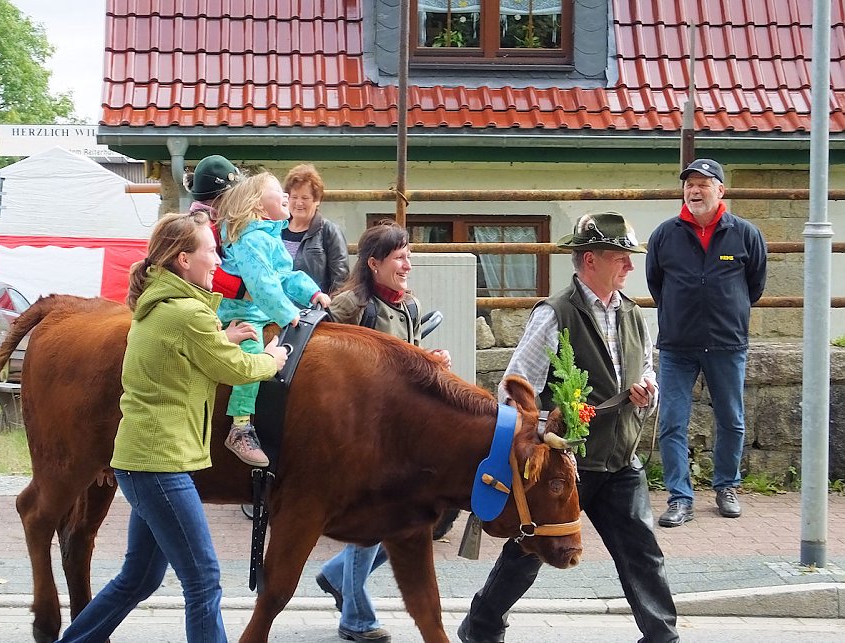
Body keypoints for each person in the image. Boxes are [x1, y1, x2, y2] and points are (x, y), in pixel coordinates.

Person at [57, 211, 288, 643]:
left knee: (138, 579)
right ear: (184, 260)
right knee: (204, 581)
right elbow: (234, 369)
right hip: (159, 464)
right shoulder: (186, 314)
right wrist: (270, 361)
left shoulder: (164, 307)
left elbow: (194, 356)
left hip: (146, 461)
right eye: (211, 251)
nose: (218, 259)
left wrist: (224, 339)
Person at [458, 211, 679, 643]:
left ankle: (662, 638)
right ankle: (481, 625)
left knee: (642, 552)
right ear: (591, 259)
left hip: (620, 459)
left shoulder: (633, 314)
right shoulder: (554, 314)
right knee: (532, 552)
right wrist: (548, 432)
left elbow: (648, 369)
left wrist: (646, 390)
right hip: (568, 465)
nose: (631, 266)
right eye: (621, 257)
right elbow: (515, 387)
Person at [315, 220, 450, 643]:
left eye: (409, 255)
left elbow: (405, 365)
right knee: (374, 520)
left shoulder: (409, 306)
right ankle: (355, 617)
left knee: (408, 517)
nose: (407, 264)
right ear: (374, 263)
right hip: (360, 437)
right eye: (399, 257)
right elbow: (318, 355)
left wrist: (430, 360)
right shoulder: (350, 306)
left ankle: (338, 576)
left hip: (399, 437)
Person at [646, 158, 767, 528]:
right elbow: (656, 284)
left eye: (703, 184)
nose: (695, 190)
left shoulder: (745, 234)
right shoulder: (665, 234)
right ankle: (679, 498)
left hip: (727, 343)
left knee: (731, 421)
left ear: (720, 190)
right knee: (671, 422)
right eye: (689, 185)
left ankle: (726, 487)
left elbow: (755, 286)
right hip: (677, 346)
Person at [215, 171, 331, 467]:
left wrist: (311, 293)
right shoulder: (250, 239)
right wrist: (287, 313)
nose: (285, 195)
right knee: (252, 355)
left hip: (261, 312)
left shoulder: (270, 236)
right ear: (256, 205)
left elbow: (284, 275)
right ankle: (240, 426)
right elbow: (262, 284)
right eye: (278, 191)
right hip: (240, 314)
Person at [282, 163, 350, 293]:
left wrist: (328, 310)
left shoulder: (329, 231)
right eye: (294, 197)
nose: (299, 203)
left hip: (314, 310)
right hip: (276, 309)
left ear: (317, 200)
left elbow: (340, 281)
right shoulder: (276, 229)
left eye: (305, 198)